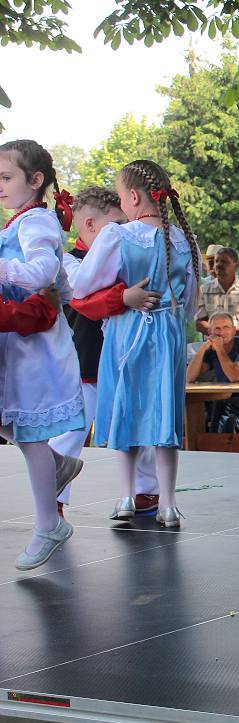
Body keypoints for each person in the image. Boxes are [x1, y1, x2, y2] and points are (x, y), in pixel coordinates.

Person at [66, 158, 201, 530]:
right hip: (168, 334)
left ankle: (125, 496)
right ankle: (168, 504)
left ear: (134, 197)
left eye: (122, 196)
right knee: (164, 415)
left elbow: (84, 283)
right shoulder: (185, 239)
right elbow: (190, 304)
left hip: (127, 331)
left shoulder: (118, 236)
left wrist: (72, 266)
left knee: (126, 409)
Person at [0, 139, 86, 569]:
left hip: (34, 347)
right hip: (18, 341)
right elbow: (62, 284)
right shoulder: (22, 222)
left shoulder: (36, 221)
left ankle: (49, 524)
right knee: (10, 421)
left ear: (35, 180)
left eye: (5, 177)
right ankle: (58, 464)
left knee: (29, 431)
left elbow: (42, 271)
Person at [53, 187, 158, 515]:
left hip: (124, 358)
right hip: (82, 362)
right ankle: (53, 497)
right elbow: (81, 297)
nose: (124, 232)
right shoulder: (67, 261)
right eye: (117, 225)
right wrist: (122, 297)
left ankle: (147, 490)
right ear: (89, 225)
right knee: (71, 431)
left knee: (136, 424)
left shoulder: (124, 262)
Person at [185, 311, 239, 431]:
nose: (221, 332)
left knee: (221, 405)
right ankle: (199, 440)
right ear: (210, 332)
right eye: (217, 328)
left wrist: (220, 349)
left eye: (226, 327)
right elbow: (189, 377)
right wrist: (203, 349)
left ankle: (214, 440)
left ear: (233, 330)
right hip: (230, 402)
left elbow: (234, 376)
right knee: (200, 404)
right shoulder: (211, 351)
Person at [195, 246, 239, 339]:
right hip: (214, 345)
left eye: (224, 262)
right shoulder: (204, 290)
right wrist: (217, 332)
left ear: (236, 265)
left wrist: (231, 332)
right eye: (216, 261)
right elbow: (199, 323)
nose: (218, 265)